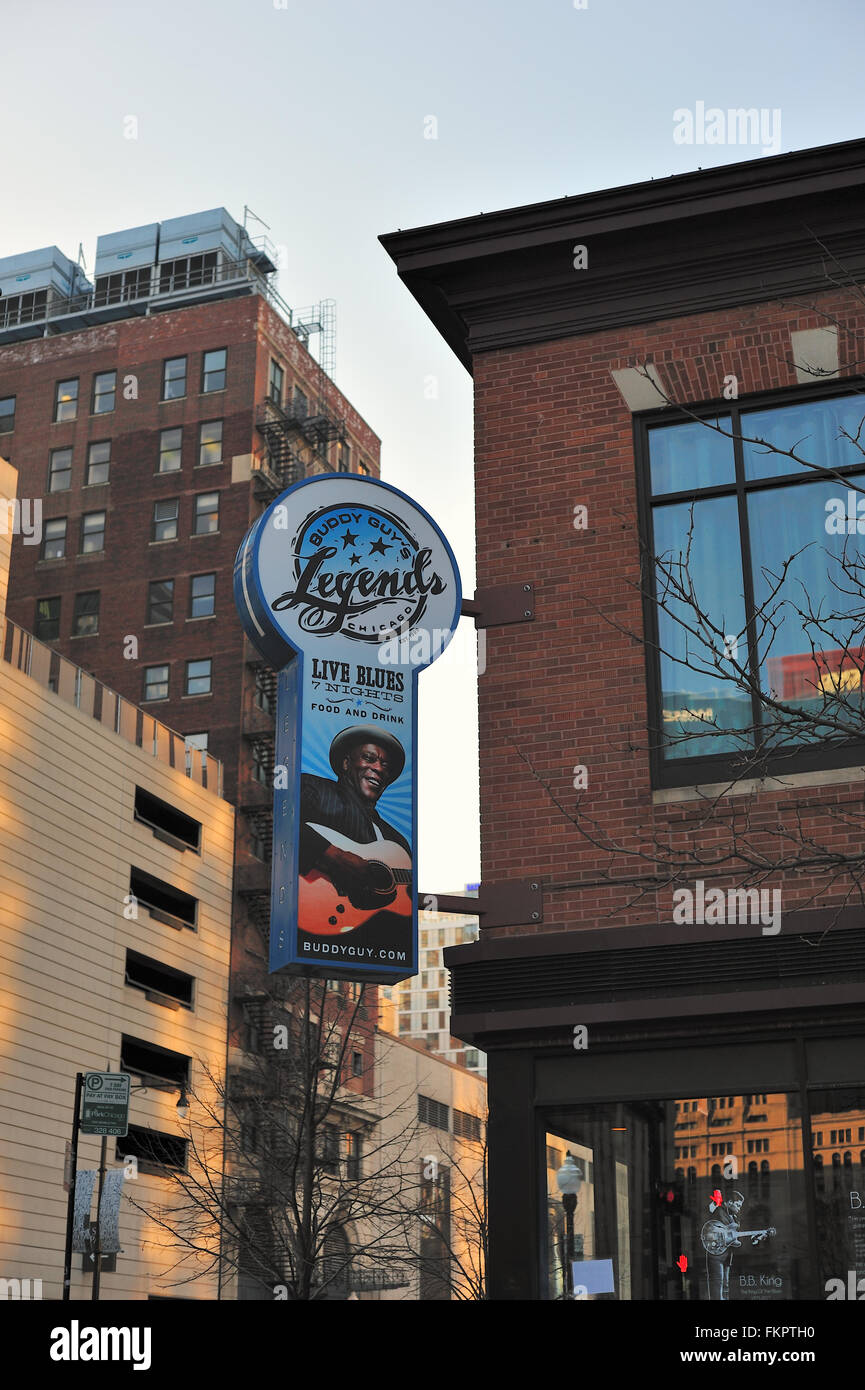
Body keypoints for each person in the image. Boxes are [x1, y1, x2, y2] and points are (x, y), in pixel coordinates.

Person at [298, 726, 411, 945]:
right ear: (346, 763)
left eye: (385, 765)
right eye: (369, 758)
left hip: (364, 936)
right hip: (311, 922)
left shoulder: (396, 841)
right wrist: (333, 856)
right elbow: (285, 824)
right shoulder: (314, 789)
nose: (378, 768)